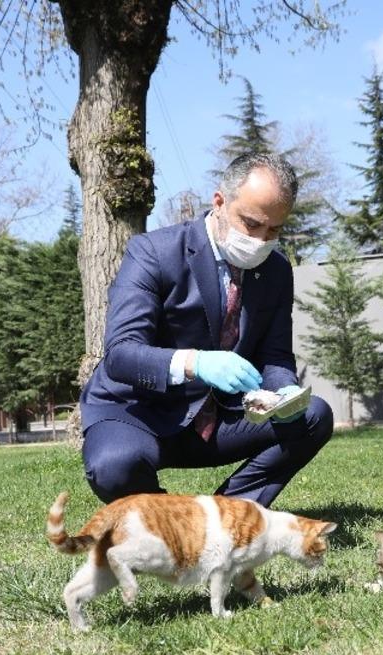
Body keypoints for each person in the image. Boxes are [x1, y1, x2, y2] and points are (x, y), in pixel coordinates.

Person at [79, 152, 334, 508]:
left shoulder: (276, 269)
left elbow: (275, 355)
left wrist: (283, 392)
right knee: (113, 466)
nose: (261, 239)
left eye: (275, 229)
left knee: (313, 417)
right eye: (251, 223)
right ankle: (175, 524)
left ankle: (228, 514)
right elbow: (121, 354)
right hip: (140, 413)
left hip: (224, 417)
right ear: (219, 202)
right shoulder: (152, 251)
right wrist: (196, 363)